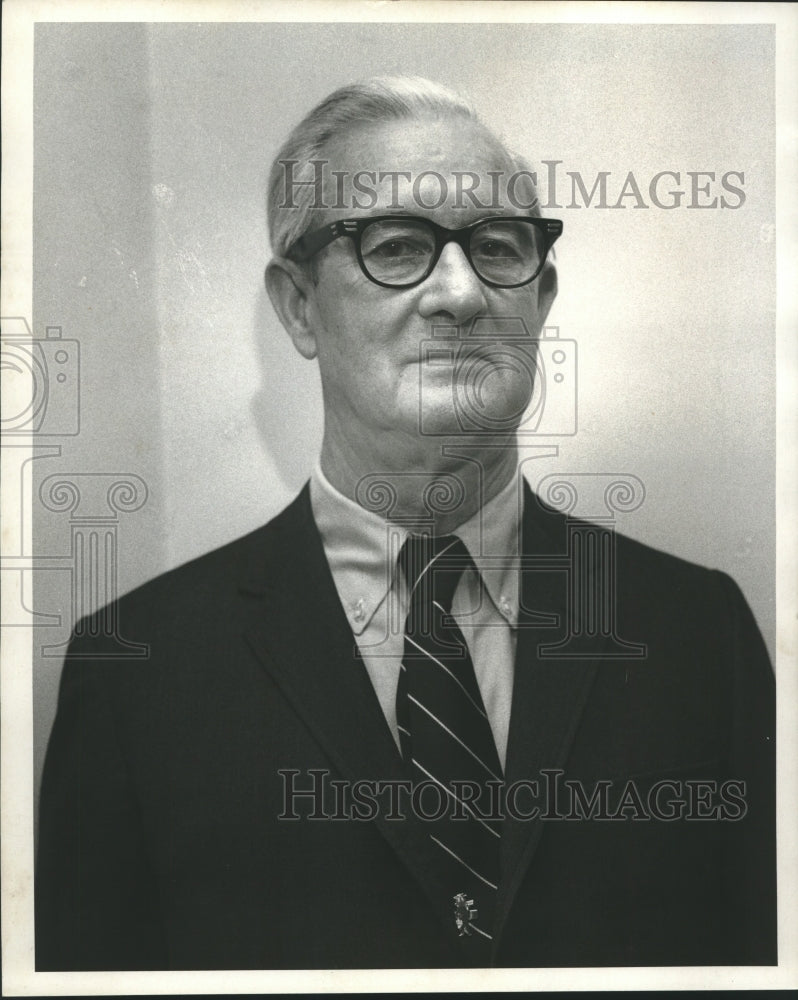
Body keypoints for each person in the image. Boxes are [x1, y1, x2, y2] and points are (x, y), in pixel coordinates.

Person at [36, 76, 775, 971]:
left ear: (540, 300)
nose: (461, 293)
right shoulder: (136, 668)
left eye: (499, 247)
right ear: (300, 306)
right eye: (396, 245)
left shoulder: (701, 632)